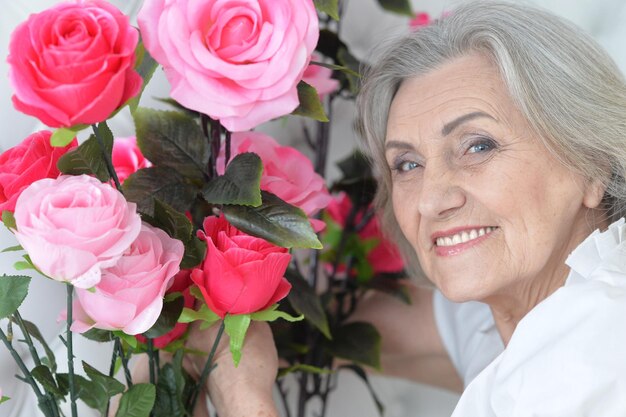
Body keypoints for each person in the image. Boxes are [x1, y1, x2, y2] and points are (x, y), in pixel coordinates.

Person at [189, 1, 626, 416]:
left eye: (478, 146)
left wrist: (243, 400)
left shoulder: (588, 363)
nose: (432, 200)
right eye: (408, 164)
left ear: (591, 167)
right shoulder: (521, 304)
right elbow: (370, 332)